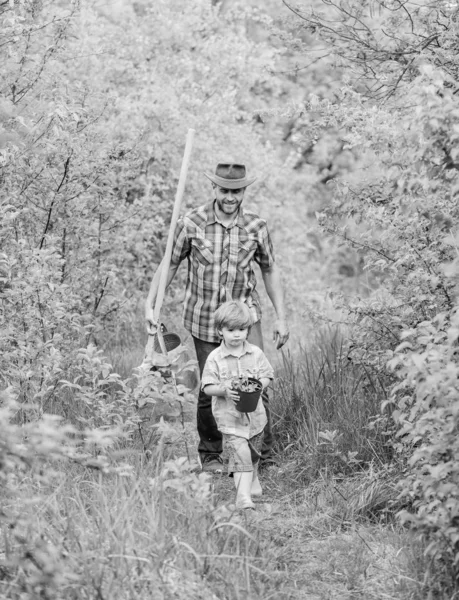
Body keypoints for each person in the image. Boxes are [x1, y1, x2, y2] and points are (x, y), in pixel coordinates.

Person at [145, 162, 289, 472]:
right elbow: (168, 265)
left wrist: (282, 317)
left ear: (244, 191)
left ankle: (262, 455)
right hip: (205, 317)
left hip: (245, 316)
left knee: (257, 382)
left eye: (236, 191)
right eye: (224, 190)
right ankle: (210, 455)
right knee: (212, 383)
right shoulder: (191, 223)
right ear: (214, 189)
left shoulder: (256, 226)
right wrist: (151, 304)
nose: (230, 197)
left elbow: (269, 269)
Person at [201, 300, 273, 509]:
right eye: (230, 330)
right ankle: (243, 497)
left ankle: (253, 479)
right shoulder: (215, 358)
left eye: (241, 329)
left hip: (256, 416)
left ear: (248, 330)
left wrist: (259, 385)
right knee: (239, 453)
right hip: (229, 417)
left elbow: (267, 375)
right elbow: (207, 387)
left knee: (252, 452)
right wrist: (224, 390)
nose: (236, 335)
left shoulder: (256, 354)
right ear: (220, 331)